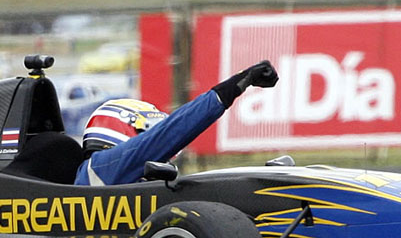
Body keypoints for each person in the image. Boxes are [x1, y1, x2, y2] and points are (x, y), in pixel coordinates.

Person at [74, 60, 278, 186]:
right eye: (145, 133)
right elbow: (168, 134)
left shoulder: (119, 177)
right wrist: (235, 85)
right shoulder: (99, 170)